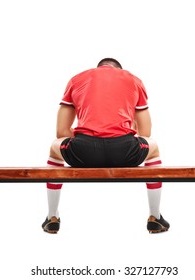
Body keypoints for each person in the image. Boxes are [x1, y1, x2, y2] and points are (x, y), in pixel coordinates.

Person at [42, 58, 169, 234]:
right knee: (153, 147)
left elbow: (61, 131)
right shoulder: (134, 80)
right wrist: (125, 126)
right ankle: (155, 217)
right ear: (119, 70)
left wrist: (87, 135)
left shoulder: (76, 80)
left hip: (83, 153)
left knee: (55, 147)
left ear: (99, 68)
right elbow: (145, 133)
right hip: (124, 152)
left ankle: (51, 217)